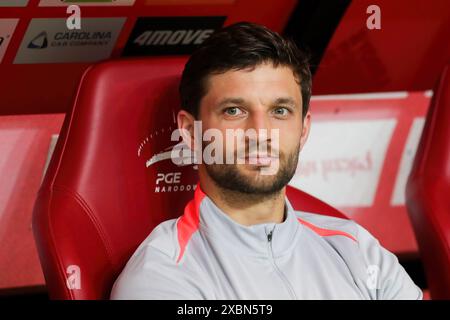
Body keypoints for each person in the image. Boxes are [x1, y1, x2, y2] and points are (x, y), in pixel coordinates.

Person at [110, 22, 422, 300]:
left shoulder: (356, 248)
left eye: (280, 111)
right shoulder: (163, 277)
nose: (260, 132)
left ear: (303, 129)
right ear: (191, 132)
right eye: (234, 110)